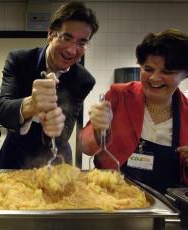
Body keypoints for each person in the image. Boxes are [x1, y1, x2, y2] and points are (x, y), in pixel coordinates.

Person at [80, 29, 188, 194]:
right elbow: (86, 147)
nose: (154, 78)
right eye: (148, 69)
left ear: (185, 74)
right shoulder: (120, 95)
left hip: (167, 208)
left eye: (166, 72)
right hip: (115, 199)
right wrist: (99, 129)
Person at [0, 1, 98, 169]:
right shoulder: (20, 60)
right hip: (15, 158)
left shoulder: (83, 80)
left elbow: (66, 130)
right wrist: (31, 105)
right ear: (50, 34)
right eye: (67, 37)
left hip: (55, 160)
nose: (72, 50)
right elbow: (1, 109)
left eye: (81, 42)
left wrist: (56, 125)